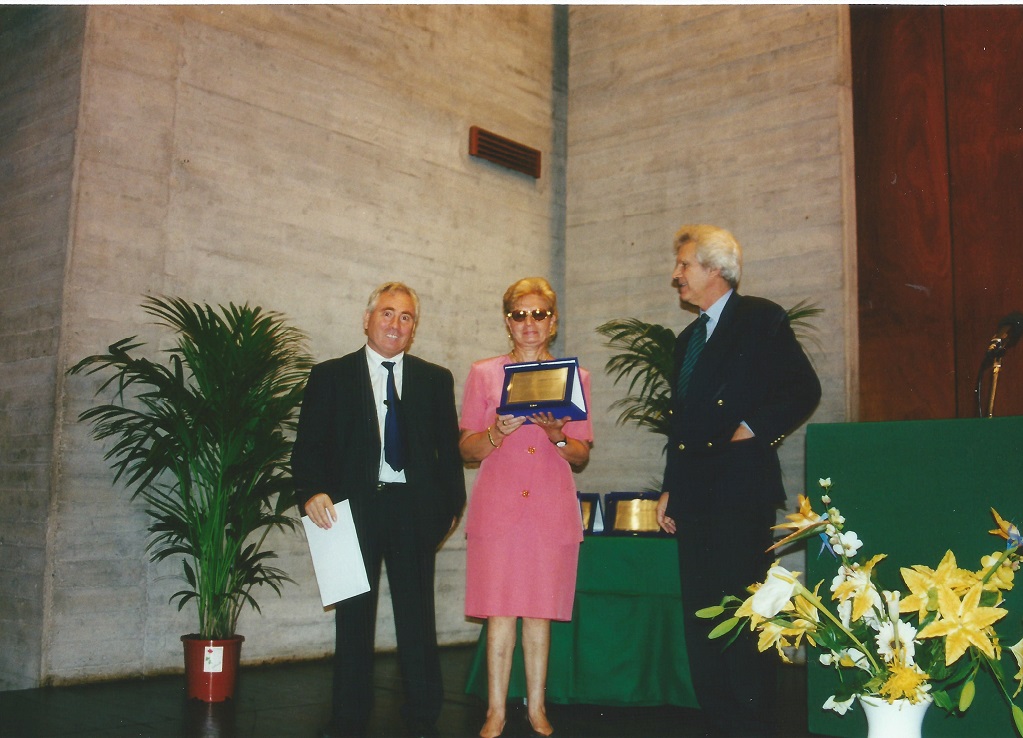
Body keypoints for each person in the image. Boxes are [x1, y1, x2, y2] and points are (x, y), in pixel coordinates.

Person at [655, 225, 821, 737]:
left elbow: (804, 388)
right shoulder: (687, 340)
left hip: (739, 493)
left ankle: (750, 724)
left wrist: (753, 428)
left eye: (684, 265)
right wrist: (670, 486)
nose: (676, 275)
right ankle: (717, 720)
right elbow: (683, 424)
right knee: (702, 618)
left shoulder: (760, 318)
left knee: (744, 615)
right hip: (694, 496)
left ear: (715, 269)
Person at [292, 282, 466, 738]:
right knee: (353, 618)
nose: (395, 323)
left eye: (406, 317)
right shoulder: (330, 376)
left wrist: (451, 507)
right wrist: (311, 492)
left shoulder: (435, 379)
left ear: (414, 328)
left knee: (418, 618)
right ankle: (349, 718)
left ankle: (423, 715)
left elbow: (448, 453)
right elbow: (307, 447)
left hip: (414, 512)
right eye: (387, 313)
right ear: (367, 319)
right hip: (352, 512)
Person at [459, 277, 594, 738]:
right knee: (499, 612)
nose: (529, 322)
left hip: (550, 510)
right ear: (508, 321)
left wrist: (558, 435)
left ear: (553, 322)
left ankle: (537, 708)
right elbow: (467, 449)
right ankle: (495, 711)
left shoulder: (575, 378)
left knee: (539, 613)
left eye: (539, 314)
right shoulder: (483, 374)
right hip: (498, 509)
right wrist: (496, 432)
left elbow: (581, 454)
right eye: (520, 314)